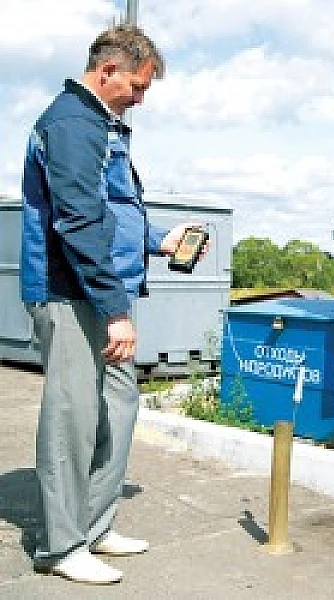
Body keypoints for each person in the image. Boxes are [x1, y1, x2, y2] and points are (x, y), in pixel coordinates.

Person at [20, 24, 204, 585]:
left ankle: (95, 527)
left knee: (118, 408)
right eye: (138, 86)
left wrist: (160, 240)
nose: (141, 98)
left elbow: (113, 211)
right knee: (72, 419)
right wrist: (115, 309)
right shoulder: (72, 125)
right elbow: (78, 220)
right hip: (71, 292)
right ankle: (61, 545)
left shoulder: (100, 125)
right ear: (108, 71)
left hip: (102, 290)